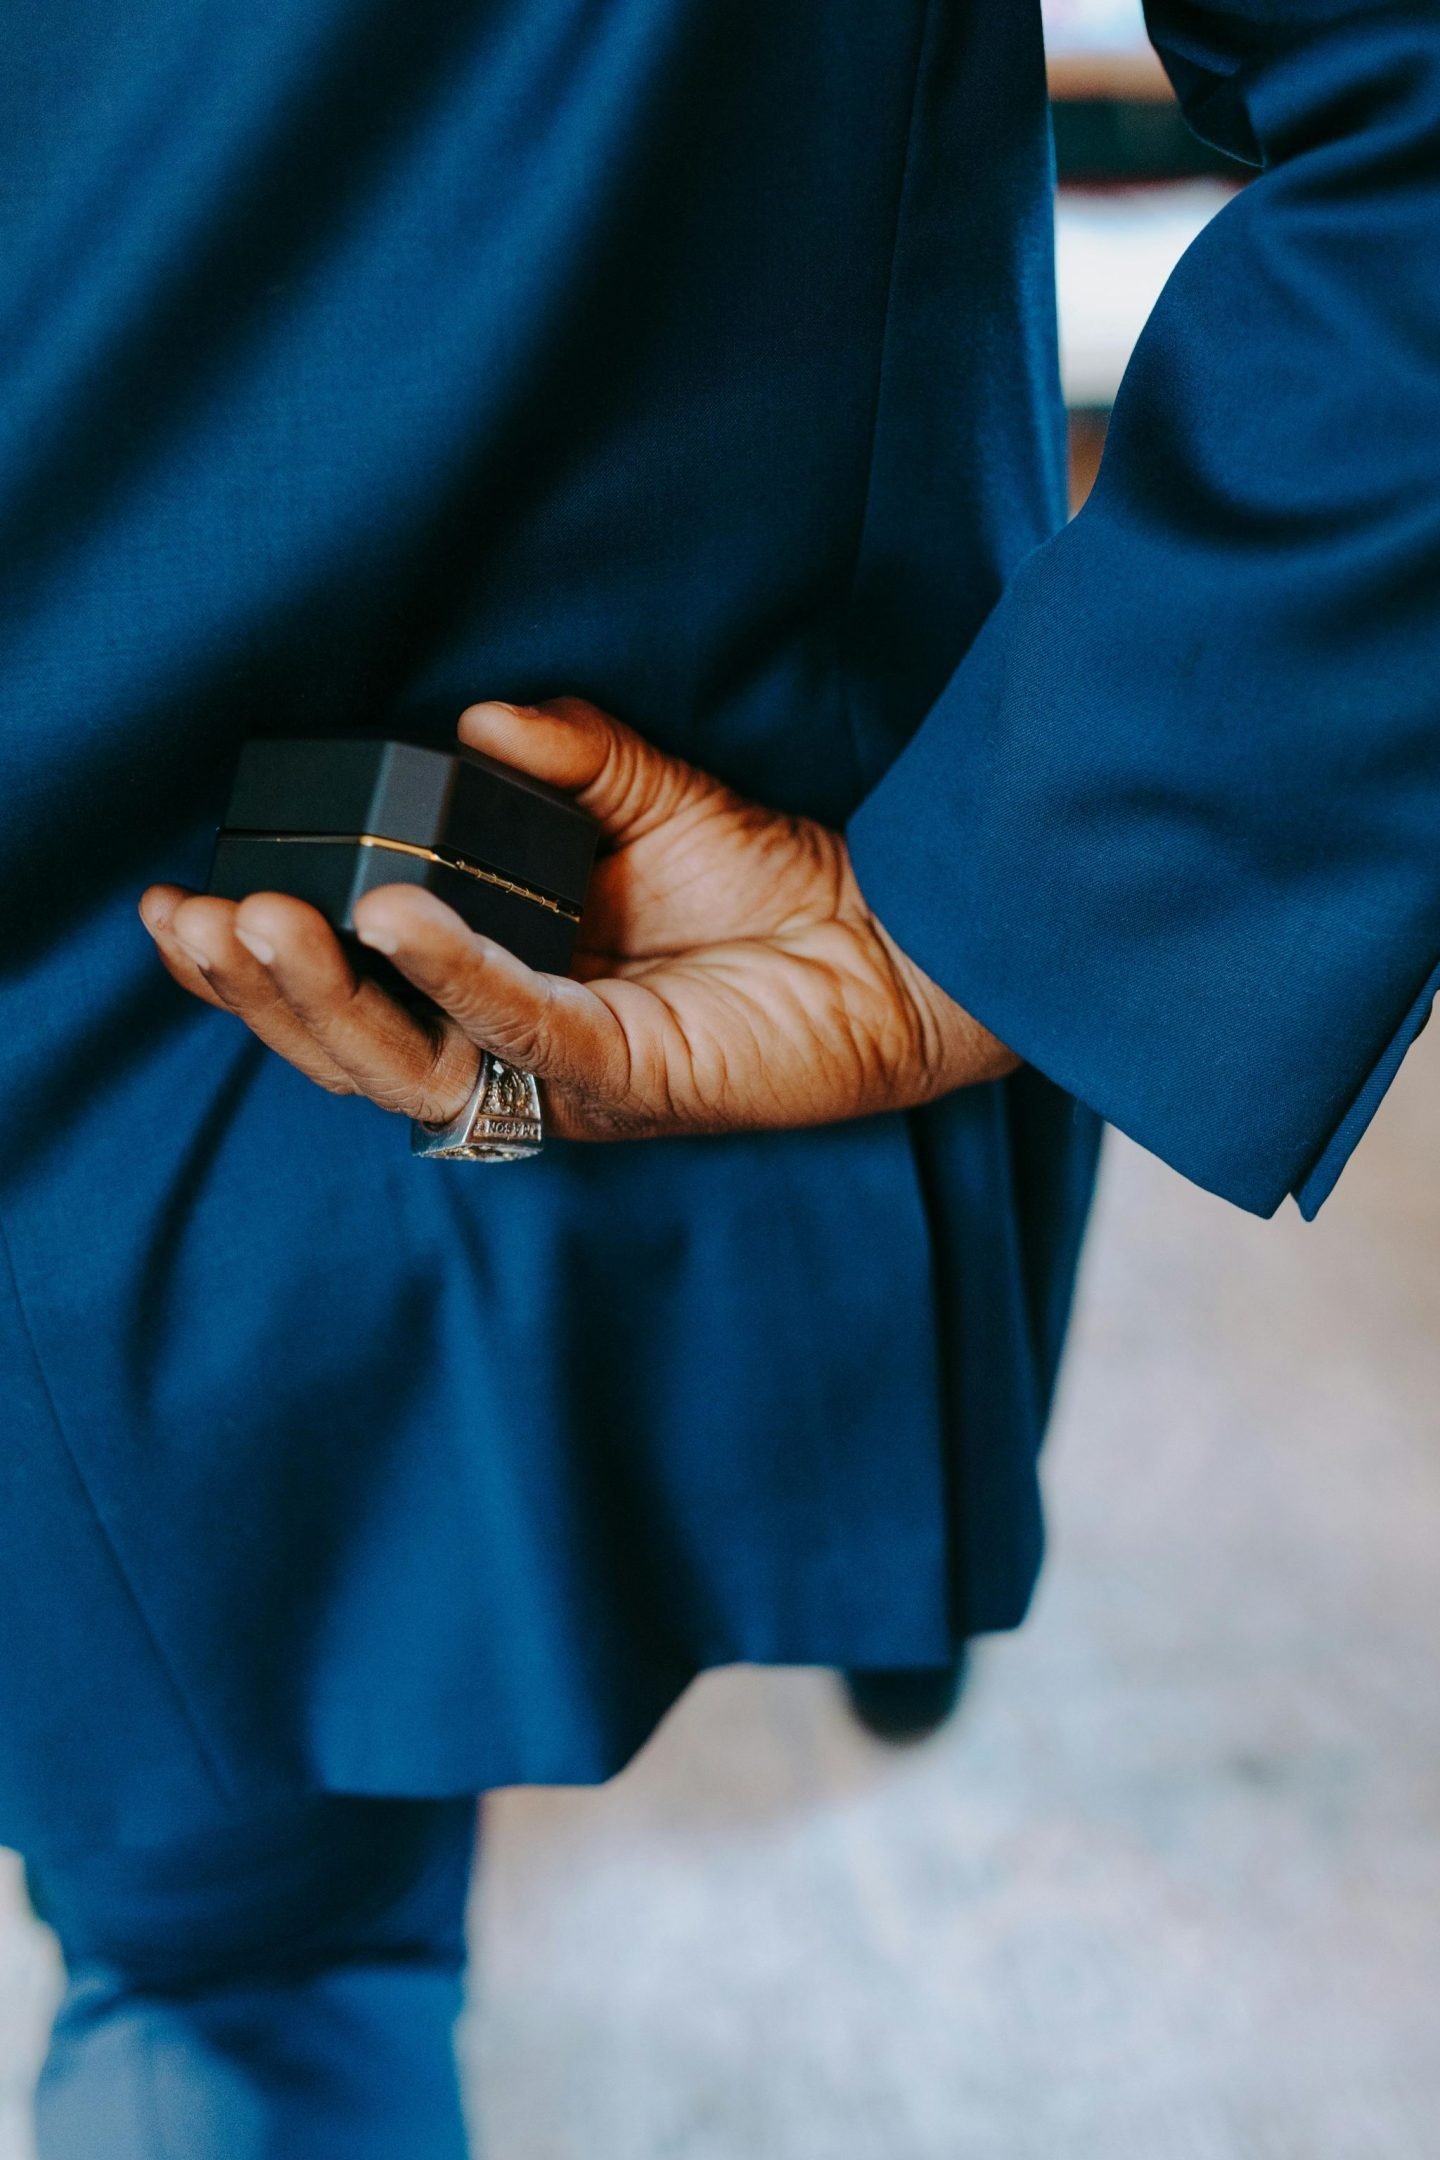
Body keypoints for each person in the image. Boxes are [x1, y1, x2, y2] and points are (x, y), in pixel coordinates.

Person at [3, 0, 1436, 2150]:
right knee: (240, 1921)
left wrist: (1047, 871)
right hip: (258, 1033)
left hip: (340, 946)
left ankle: (811, 1441)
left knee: (241, 1920)